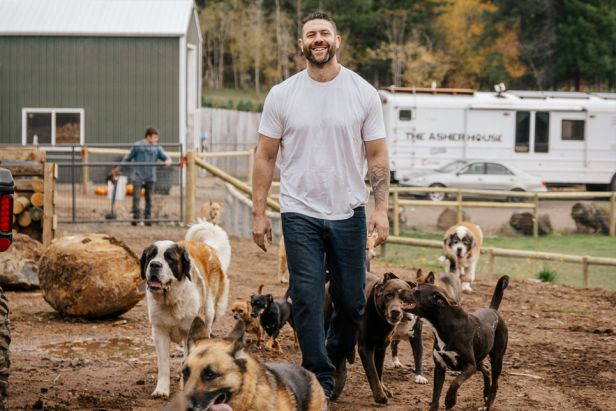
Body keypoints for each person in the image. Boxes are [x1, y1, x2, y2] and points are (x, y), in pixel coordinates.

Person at [251, 11, 390, 404]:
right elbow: (265, 156)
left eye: (324, 33)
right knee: (308, 299)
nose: (317, 39)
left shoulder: (362, 92)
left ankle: (333, 351)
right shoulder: (282, 94)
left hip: (348, 212)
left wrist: (380, 209)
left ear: (337, 40)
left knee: (352, 302)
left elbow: (377, 155)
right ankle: (319, 380)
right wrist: (259, 213)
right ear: (301, 44)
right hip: (299, 213)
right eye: (310, 34)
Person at [118, 127, 171, 226]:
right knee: (136, 197)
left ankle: (148, 218)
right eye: (155, 137)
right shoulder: (137, 146)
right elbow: (128, 157)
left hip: (150, 176)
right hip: (138, 175)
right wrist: (118, 168)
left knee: (149, 198)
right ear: (149, 136)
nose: (156, 140)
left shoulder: (157, 147)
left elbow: (165, 156)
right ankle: (136, 217)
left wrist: (168, 160)